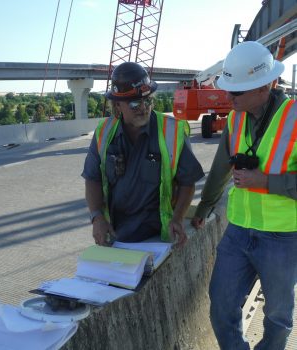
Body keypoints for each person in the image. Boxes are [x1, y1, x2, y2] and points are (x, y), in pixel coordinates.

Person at [191, 41, 297, 350]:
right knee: (221, 307)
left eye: (236, 92)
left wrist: (264, 181)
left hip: (283, 236)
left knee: (278, 316)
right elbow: (221, 167)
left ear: (265, 86)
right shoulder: (236, 118)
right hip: (238, 232)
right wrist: (204, 208)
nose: (228, 96)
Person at [82, 61, 204, 247]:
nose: (143, 107)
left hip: (158, 237)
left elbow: (188, 182)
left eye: (148, 100)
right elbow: (93, 178)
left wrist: (178, 218)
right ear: (117, 105)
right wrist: (97, 217)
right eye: (134, 103)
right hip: (115, 235)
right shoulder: (103, 132)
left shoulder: (172, 131)